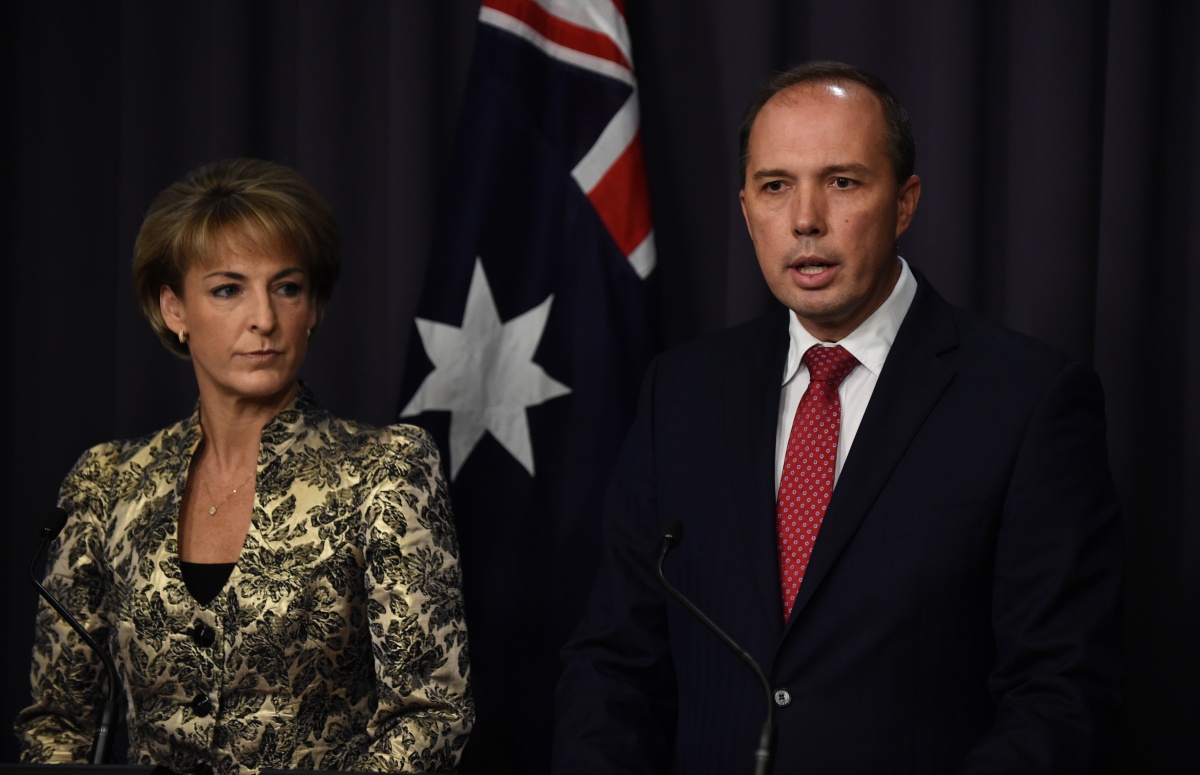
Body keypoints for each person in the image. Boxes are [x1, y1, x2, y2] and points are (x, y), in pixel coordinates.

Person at [552, 61, 1122, 774]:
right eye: (775, 185)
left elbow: (1060, 695)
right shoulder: (682, 392)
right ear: (745, 207)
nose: (806, 219)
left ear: (905, 202)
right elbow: (613, 663)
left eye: (843, 181)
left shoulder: (1029, 401)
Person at [15, 158, 473, 775]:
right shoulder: (107, 481)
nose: (264, 318)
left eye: (287, 287)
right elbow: (59, 723)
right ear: (173, 309)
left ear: (312, 306)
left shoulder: (386, 469)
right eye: (228, 289)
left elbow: (431, 714)